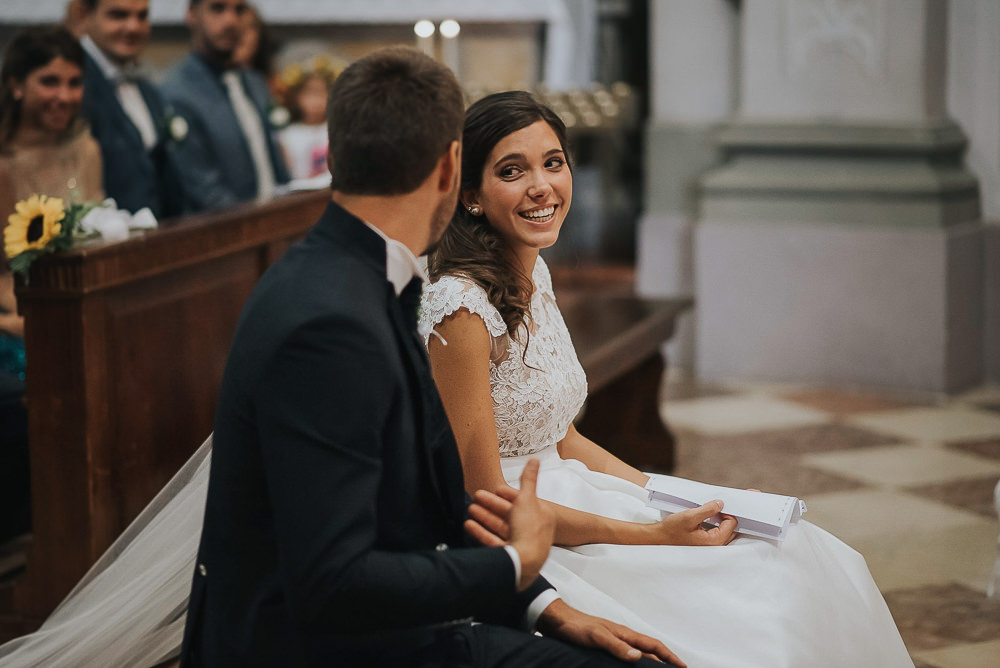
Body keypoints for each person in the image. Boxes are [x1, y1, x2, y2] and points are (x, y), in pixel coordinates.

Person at [0, 49, 682, 668]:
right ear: (452, 169)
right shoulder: (330, 324)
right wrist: (512, 565)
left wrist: (554, 611)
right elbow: (331, 583)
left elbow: (440, 505)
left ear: (333, 158)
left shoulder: (368, 273)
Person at [419, 91, 915, 668]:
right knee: (758, 603)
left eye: (553, 162)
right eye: (512, 170)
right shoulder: (459, 306)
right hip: (533, 541)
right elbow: (486, 502)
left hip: (579, 492)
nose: (541, 186)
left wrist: (673, 500)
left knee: (805, 552)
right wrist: (655, 534)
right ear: (472, 195)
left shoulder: (533, 272)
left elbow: (561, 438)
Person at [0, 25, 101, 547]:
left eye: (73, 82)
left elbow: (101, 232)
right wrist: (24, 317)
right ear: (16, 84)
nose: (64, 96)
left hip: (77, 301)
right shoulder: (3, 164)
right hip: (14, 316)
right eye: (49, 82)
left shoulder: (85, 149)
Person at [160, 0, 289, 211]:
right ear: (192, 14)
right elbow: (204, 190)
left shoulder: (255, 82)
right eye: (217, 8)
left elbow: (277, 170)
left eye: (239, 10)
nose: (231, 21)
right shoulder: (177, 92)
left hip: (275, 227)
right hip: (225, 233)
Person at [79, 0, 190, 218]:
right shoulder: (72, 84)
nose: (133, 27)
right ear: (86, 15)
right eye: (118, 15)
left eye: (142, 16)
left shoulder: (147, 88)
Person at [276, 58, 337, 180]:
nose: (316, 101)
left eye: (322, 93)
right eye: (309, 93)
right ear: (296, 97)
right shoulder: (287, 135)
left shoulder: (339, 129)